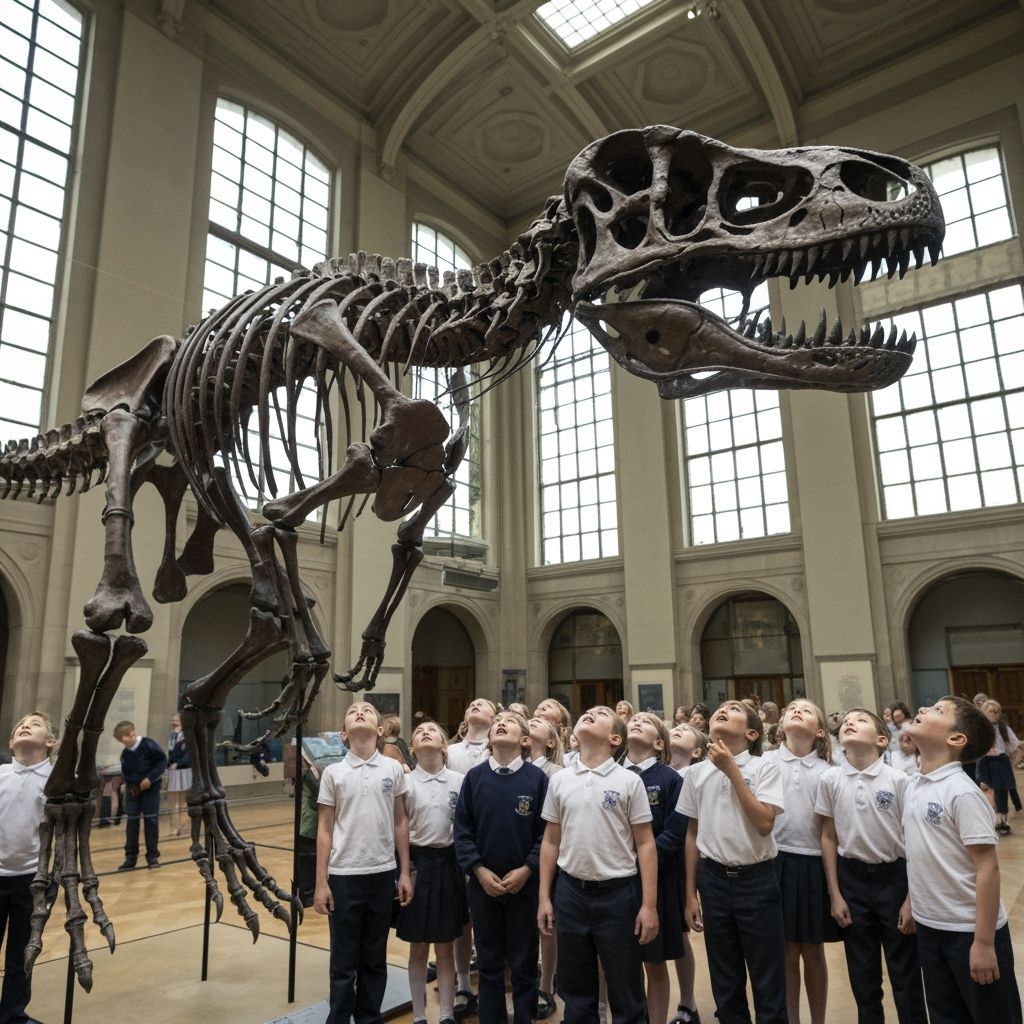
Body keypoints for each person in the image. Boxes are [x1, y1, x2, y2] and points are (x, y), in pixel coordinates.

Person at [904, 697, 1022, 1023]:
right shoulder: (915, 785)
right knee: (945, 1015)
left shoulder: (962, 792)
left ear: (956, 739)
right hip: (931, 927)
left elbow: (988, 867)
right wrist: (911, 901)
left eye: (938, 711)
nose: (924, 710)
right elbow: (924, 855)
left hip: (970, 931)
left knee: (992, 1015)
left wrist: (983, 943)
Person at [537, 706, 658, 1024]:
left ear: (615, 738)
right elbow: (550, 840)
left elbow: (645, 844)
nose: (590, 713)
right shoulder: (561, 779)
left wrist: (649, 905)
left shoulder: (628, 781)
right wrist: (544, 897)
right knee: (576, 993)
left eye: (601, 713)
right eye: (587, 712)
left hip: (618, 895)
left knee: (626, 991)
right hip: (571, 892)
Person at [815, 707, 925, 1024]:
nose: (850, 722)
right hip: (851, 880)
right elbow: (828, 837)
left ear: (881, 739)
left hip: (895, 879)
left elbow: (915, 841)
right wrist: (835, 894)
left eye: (860, 720)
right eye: (847, 721)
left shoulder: (901, 781)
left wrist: (911, 898)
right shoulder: (830, 780)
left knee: (906, 976)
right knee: (863, 978)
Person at [679, 699, 787, 1024]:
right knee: (725, 983)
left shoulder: (764, 766)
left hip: (757, 880)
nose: (724, 709)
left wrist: (732, 770)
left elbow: (764, 822)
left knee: (768, 981)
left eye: (735, 710)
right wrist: (689, 894)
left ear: (751, 732)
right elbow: (691, 835)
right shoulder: (695, 773)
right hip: (713, 881)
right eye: (721, 707)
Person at [314, 701, 412, 1024]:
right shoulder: (333, 773)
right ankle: (339, 1019)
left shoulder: (393, 769)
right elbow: (325, 829)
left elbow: (400, 821)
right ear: (344, 733)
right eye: (353, 711)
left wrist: (404, 872)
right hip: (343, 877)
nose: (359, 712)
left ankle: (369, 1018)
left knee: (374, 958)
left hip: (382, 875)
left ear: (381, 730)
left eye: (368, 711)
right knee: (343, 961)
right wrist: (320, 882)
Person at [454, 710, 547, 1024]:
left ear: (524, 740)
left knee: (523, 963)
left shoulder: (537, 779)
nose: (500, 724)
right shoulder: (475, 778)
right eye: (497, 723)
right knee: (490, 964)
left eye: (510, 722)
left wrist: (528, 869)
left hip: (525, 887)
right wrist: (478, 870)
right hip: (483, 887)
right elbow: (462, 831)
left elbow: (545, 833)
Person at [763, 700, 838, 1024]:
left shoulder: (829, 772)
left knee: (813, 948)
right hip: (774, 860)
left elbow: (831, 830)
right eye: (791, 709)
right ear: (780, 726)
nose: (797, 712)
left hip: (812, 863)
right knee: (786, 950)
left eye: (807, 711)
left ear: (819, 731)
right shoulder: (764, 762)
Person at [398, 721, 467, 1024]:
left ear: (443, 745)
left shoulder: (460, 781)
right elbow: (400, 829)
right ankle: (418, 1015)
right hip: (417, 865)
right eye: (419, 731)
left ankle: (447, 1013)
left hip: (450, 864)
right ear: (412, 747)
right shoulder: (406, 783)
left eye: (432, 730)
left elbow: (466, 827)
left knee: (446, 945)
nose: (425, 732)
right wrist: (404, 872)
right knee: (417, 947)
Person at [624, 713, 686, 1024]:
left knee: (655, 961)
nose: (636, 722)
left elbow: (674, 834)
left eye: (646, 722)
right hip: (614, 882)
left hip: (656, 882)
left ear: (659, 743)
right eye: (632, 720)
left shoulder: (670, 779)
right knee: (617, 963)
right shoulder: (611, 774)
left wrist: (636, 861)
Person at [0, 712, 56, 1024]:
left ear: (50, 742)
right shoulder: (1, 774)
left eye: (34, 724)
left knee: (21, 952)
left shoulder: (56, 781)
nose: (25, 725)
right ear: (11, 742)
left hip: (31, 880)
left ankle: (12, 1014)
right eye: (20, 723)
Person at [446, 697, 496, 1019]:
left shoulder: (498, 751)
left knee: (488, 918)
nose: (475, 705)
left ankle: (494, 978)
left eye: (483, 704)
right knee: (460, 920)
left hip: (491, 844)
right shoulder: (450, 753)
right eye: (472, 704)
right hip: (456, 844)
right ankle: (463, 983)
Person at [667, 721, 705, 1024]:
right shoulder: (659, 774)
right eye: (674, 729)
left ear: (697, 751)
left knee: (681, 934)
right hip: (658, 858)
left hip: (685, 861)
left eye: (685, 730)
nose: (677, 729)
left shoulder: (695, 776)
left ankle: (688, 1000)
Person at [527, 715, 563, 1018]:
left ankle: (547, 984)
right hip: (518, 854)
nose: (530, 722)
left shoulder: (556, 772)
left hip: (547, 852)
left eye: (538, 722)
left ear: (551, 741)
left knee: (547, 925)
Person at [113, 719, 166, 870]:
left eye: (122, 739)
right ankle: (130, 857)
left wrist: (150, 778)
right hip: (133, 791)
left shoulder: (149, 745)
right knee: (132, 822)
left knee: (150, 821)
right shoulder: (125, 753)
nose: (121, 743)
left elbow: (161, 762)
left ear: (131, 734)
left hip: (151, 789)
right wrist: (129, 784)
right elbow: (126, 771)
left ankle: (152, 856)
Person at [976, 699, 1019, 834]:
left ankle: (1003, 821)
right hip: (985, 760)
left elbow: (1015, 744)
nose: (994, 714)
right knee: (986, 790)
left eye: (996, 712)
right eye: (991, 712)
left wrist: (1011, 760)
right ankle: (993, 820)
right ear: (984, 712)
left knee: (1002, 791)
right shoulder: (980, 728)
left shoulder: (1003, 728)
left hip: (1001, 760)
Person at [166, 713, 191, 837]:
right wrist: (170, 764)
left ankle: (182, 823)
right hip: (173, 769)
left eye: (176, 719)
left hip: (184, 769)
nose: (173, 721)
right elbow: (171, 753)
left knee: (183, 799)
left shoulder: (187, 735)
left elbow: (188, 754)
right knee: (173, 800)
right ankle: (174, 826)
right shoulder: (172, 735)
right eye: (173, 719)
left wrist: (179, 763)